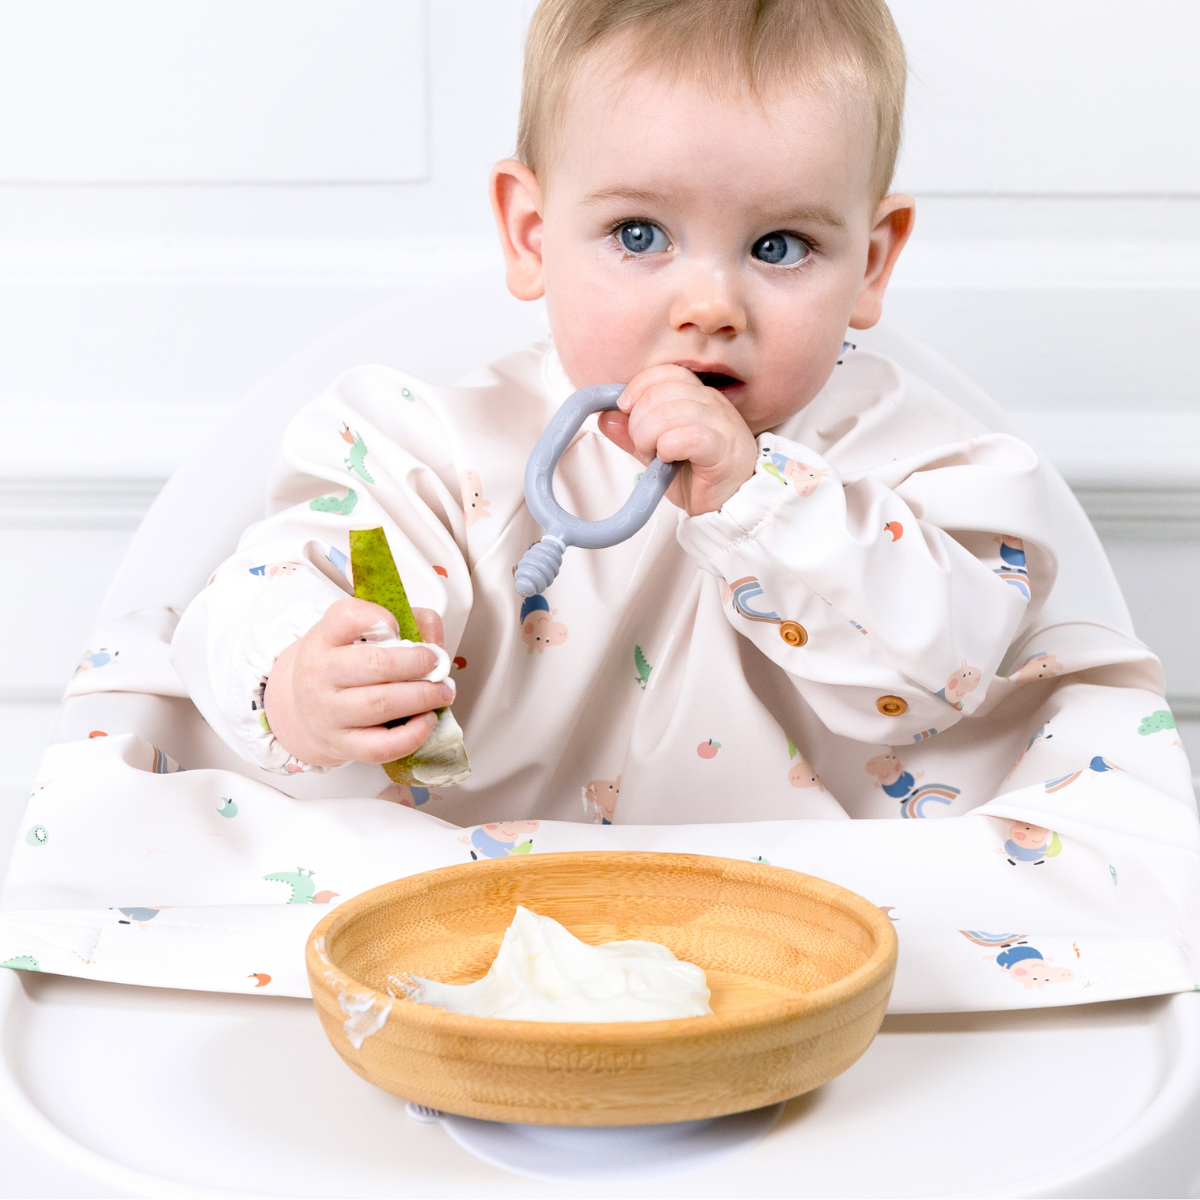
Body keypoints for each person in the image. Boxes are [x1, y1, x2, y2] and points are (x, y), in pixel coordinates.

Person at [8, 0, 1196, 1010]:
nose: (709, 303)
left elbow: (940, 668)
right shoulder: (432, 445)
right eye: (640, 234)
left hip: (822, 912)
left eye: (781, 245)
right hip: (461, 903)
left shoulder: (922, 463)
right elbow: (315, 564)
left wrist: (764, 495)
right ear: (532, 234)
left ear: (873, 261)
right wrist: (304, 674)